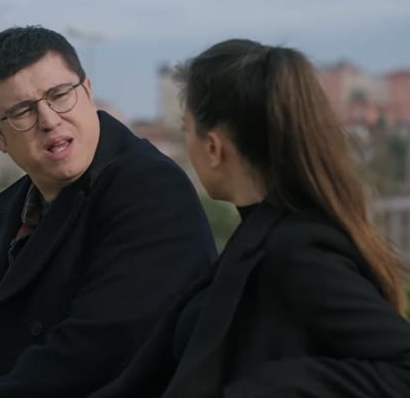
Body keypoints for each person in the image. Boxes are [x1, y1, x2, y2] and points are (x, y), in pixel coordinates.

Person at [0, 26, 216, 398]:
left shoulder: (151, 190)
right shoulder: (24, 205)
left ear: (87, 92)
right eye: (22, 111)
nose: (49, 119)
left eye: (59, 95)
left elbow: (91, 354)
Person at [93, 38, 410, 398]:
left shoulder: (297, 249)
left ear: (214, 148)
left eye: (186, 130)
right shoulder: (261, 236)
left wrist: (265, 388)